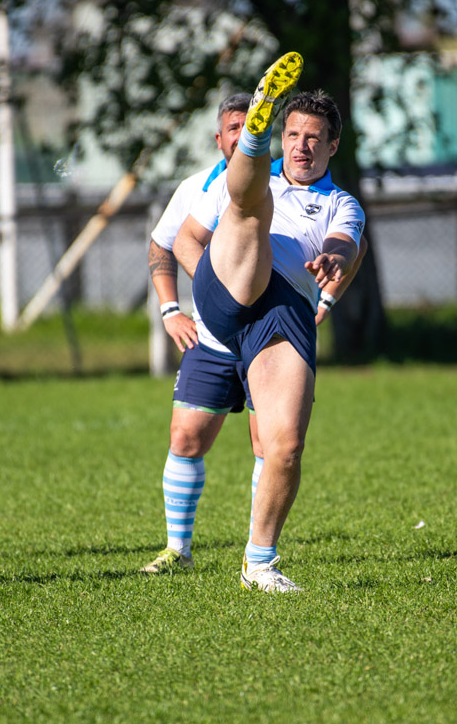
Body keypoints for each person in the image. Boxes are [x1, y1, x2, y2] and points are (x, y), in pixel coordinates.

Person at [142, 93, 366, 575]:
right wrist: (203, 287)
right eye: (292, 136)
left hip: (281, 317)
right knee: (252, 208)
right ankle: (176, 549)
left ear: (333, 145)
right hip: (225, 292)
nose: (302, 147)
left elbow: (346, 244)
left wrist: (334, 266)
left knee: (284, 446)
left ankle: (259, 564)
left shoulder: (342, 204)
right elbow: (181, 240)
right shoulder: (230, 184)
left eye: (313, 138)